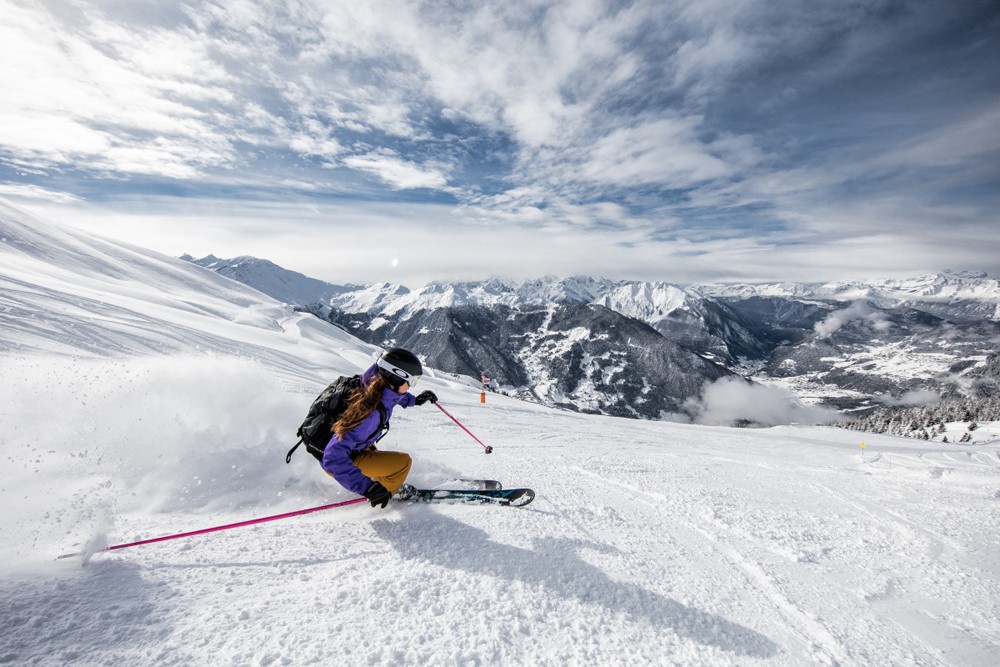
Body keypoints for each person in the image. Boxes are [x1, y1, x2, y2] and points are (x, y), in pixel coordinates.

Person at [322, 347, 438, 508]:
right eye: (411, 381)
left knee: (377, 455)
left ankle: (378, 482)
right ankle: (388, 494)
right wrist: (367, 488)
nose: (411, 386)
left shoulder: (373, 384)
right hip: (339, 459)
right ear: (397, 378)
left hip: (351, 448)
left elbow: (393, 397)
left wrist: (415, 400)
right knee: (403, 463)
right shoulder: (368, 414)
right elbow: (332, 457)